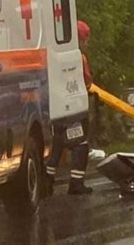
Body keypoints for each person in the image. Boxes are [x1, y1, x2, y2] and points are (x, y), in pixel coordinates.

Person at [45, 20, 94, 195]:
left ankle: (47, 180)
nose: (86, 42)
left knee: (57, 144)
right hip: (75, 108)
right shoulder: (79, 58)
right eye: (85, 37)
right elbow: (87, 80)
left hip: (57, 108)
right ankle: (76, 183)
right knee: (81, 144)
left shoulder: (52, 55)